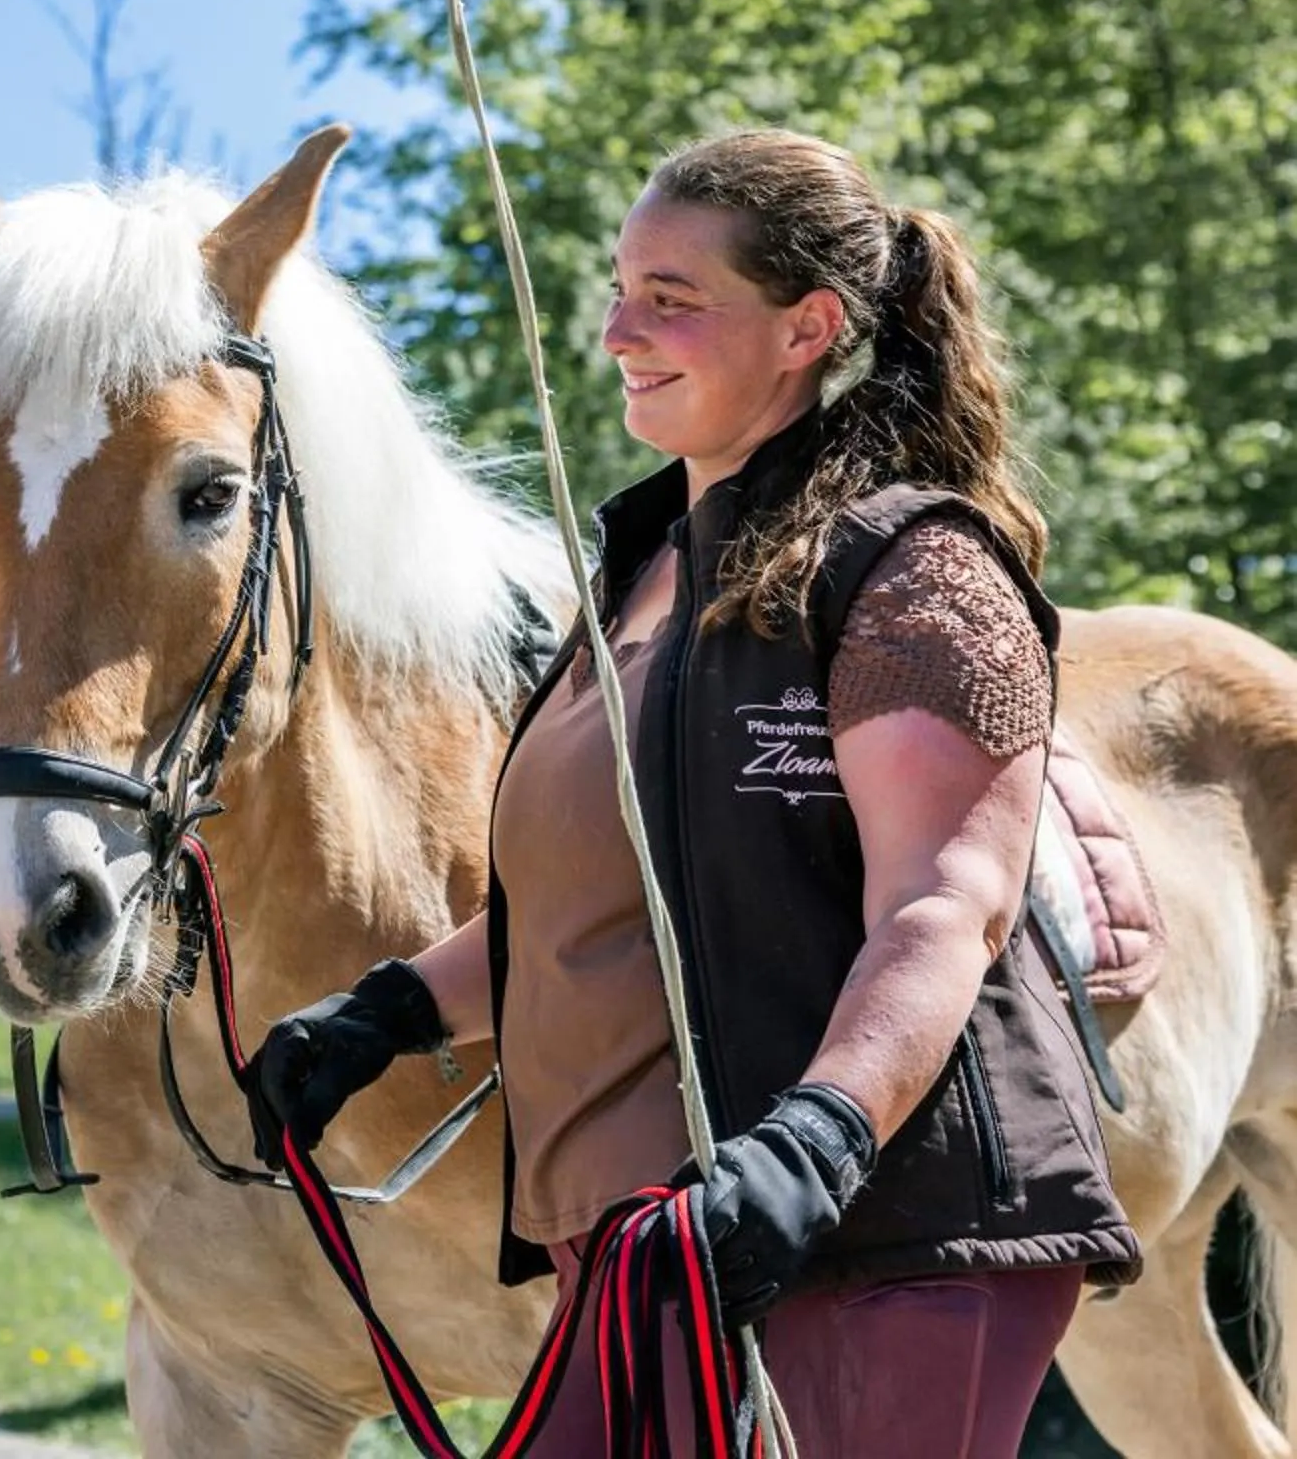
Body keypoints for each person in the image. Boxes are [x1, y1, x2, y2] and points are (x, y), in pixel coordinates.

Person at [244, 129, 1137, 1456]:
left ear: (805, 328)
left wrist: (817, 1144)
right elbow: (610, 905)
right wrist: (388, 1013)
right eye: (619, 288)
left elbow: (946, 905)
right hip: (653, 1250)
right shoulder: (641, 571)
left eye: (673, 298)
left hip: (883, 1235)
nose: (618, 329)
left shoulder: (917, 569)